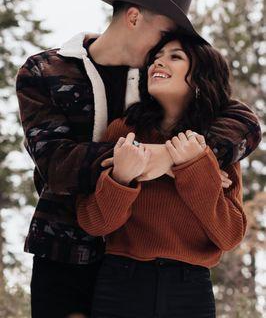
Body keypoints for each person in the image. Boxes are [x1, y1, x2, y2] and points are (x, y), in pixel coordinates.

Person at [16, 0, 261, 318]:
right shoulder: (46, 72)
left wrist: (185, 159)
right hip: (66, 251)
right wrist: (164, 159)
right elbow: (58, 164)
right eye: (163, 34)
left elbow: (243, 120)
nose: (162, 50)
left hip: (150, 269)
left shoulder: (155, 83)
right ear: (133, 17)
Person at [77, 31, 260, 318]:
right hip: (120, 284)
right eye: (155, 58)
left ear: (200, 75)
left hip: (190, 291)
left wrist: (192, 169)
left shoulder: (217, 146)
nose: (157, 64)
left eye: (175, 57)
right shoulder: (123, 131)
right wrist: (121, 179)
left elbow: (229, 235)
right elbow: (94, 223)